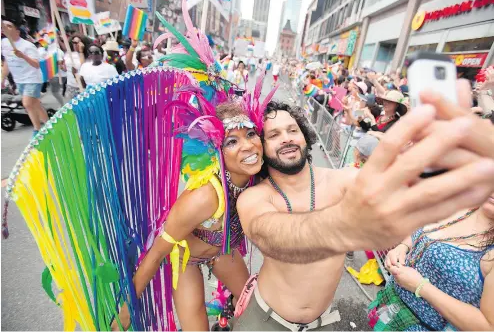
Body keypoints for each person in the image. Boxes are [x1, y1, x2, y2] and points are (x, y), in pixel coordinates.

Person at [233, 78, 494, 330]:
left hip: (322, 324)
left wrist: (455, 163)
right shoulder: (254, 197)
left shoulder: (345, 180)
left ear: (304, 135)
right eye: (274, 135)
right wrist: (342, 227)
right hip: (265, 321)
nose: (287, 138)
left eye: (293, 130)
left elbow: (406, 190)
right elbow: (269, 234)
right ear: (261, 146)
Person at [112, 99, 265, 331]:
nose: (248, 146)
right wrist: (126, 313)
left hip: (223, 252)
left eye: (251, 134)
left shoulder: (257, 178)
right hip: (186, 261)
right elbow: (155, 256)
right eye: (232, 141)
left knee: (253, 305)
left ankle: (229, 313)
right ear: (217, 151)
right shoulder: (204, 197)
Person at [373, 189, 494, 330]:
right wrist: (403, 247)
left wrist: (421, 286)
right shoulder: (461, 205)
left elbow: (487, 327)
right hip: (391, 307)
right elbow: (426, 230)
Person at [1, 18, 48, 137]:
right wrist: (2, 78)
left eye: (9, 26)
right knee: (35, 104)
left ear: (17, 31)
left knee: (27, 104)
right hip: (19, 80)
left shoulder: (27, 46)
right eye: (3, 26)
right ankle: (49, 125)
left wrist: (23, 56)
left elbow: (36, 65)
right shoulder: (4, 43)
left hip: (32, 78)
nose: (5, 27)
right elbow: (7, 62)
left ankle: (37, 130)